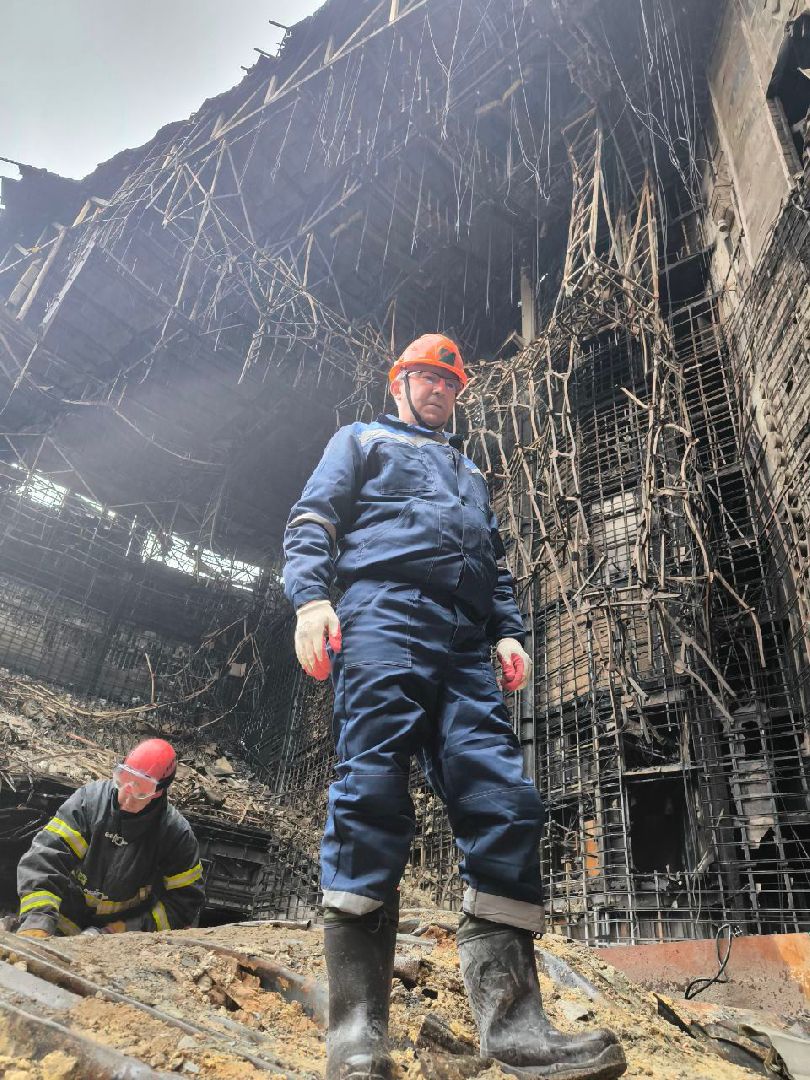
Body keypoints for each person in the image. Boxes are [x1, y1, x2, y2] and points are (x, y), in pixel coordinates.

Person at [283, 334, 626, 1080]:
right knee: (371, 790)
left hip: (466, 643)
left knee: (507, 799)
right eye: (426, 378)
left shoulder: (470, 471)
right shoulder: (362, 439)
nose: (439, 389)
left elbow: (496, 564)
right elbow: (314, 520)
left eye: (449, 382)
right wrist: (312, 599)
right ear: (399, 382)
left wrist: (509, 630)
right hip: (383, 615)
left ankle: (514, 1026)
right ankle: (357, 1035)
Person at [16, 738, 204, 938]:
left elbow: (184, 902)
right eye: (123, 780)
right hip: (62, 921)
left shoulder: (175, 834)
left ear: (159, 791)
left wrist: (127, 929)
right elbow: (46, 858)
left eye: (141, 790)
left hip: (119, 941)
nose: (125, 797)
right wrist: (38, 920)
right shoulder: (88, 803)